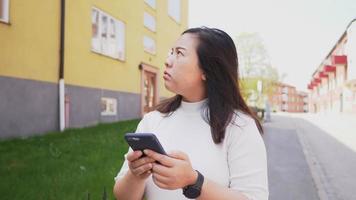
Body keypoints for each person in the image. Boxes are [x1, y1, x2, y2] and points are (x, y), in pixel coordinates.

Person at [113, 27, 268, 200]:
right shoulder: (152, 120)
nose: (168, 60)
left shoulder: (240, 126)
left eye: (179, 53)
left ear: (207, 70)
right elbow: (123, 196)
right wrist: (136, 175)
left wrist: (194, 182)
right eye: (171, 52)